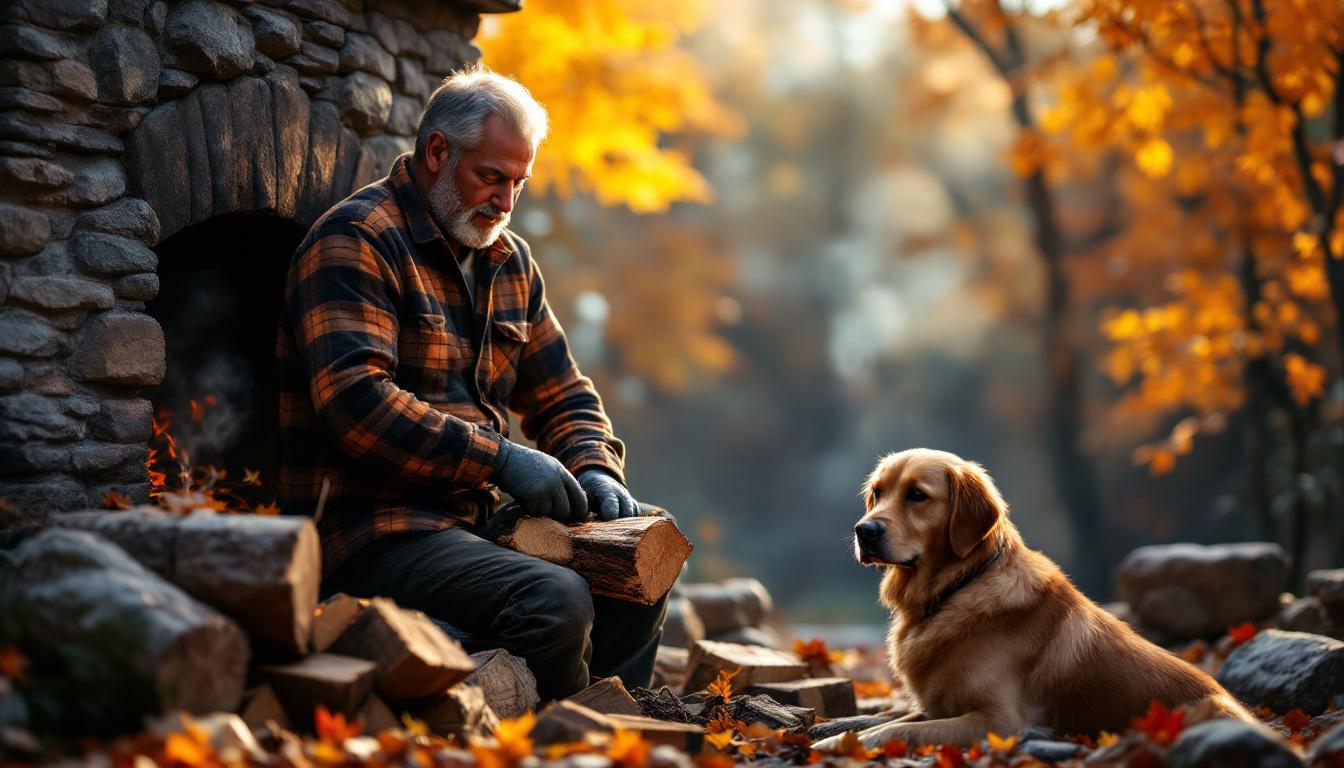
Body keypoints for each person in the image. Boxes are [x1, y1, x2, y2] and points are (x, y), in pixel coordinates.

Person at [275, 65, 666, 701]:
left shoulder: (509, 261)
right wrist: (501, 458)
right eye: (492, 177)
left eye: (519, 183)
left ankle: (611, 723)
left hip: (477, 524)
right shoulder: (355, 240)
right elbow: (356, 405)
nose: (506, 202)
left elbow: (563, 392)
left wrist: (595, 469)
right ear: (437, 153)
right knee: (554, 599)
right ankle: (557, 740)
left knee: (645, 545)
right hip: (371, 533)